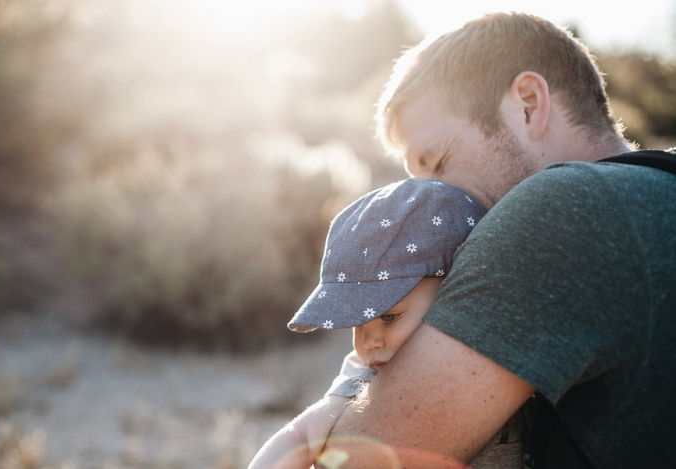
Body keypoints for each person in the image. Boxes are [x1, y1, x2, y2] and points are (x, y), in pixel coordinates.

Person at [319, 11, 676, 469]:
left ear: (528, 103)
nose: (427, 201)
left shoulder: (559, 209)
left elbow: (358, 463)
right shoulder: (655, 192)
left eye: (437, 161)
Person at [248, 178, 527, 469]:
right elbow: (301, 434)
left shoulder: (502, 342)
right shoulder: (367, 375)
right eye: (357, 324)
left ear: (454, 291)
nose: (370, 341)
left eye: (389, 317)